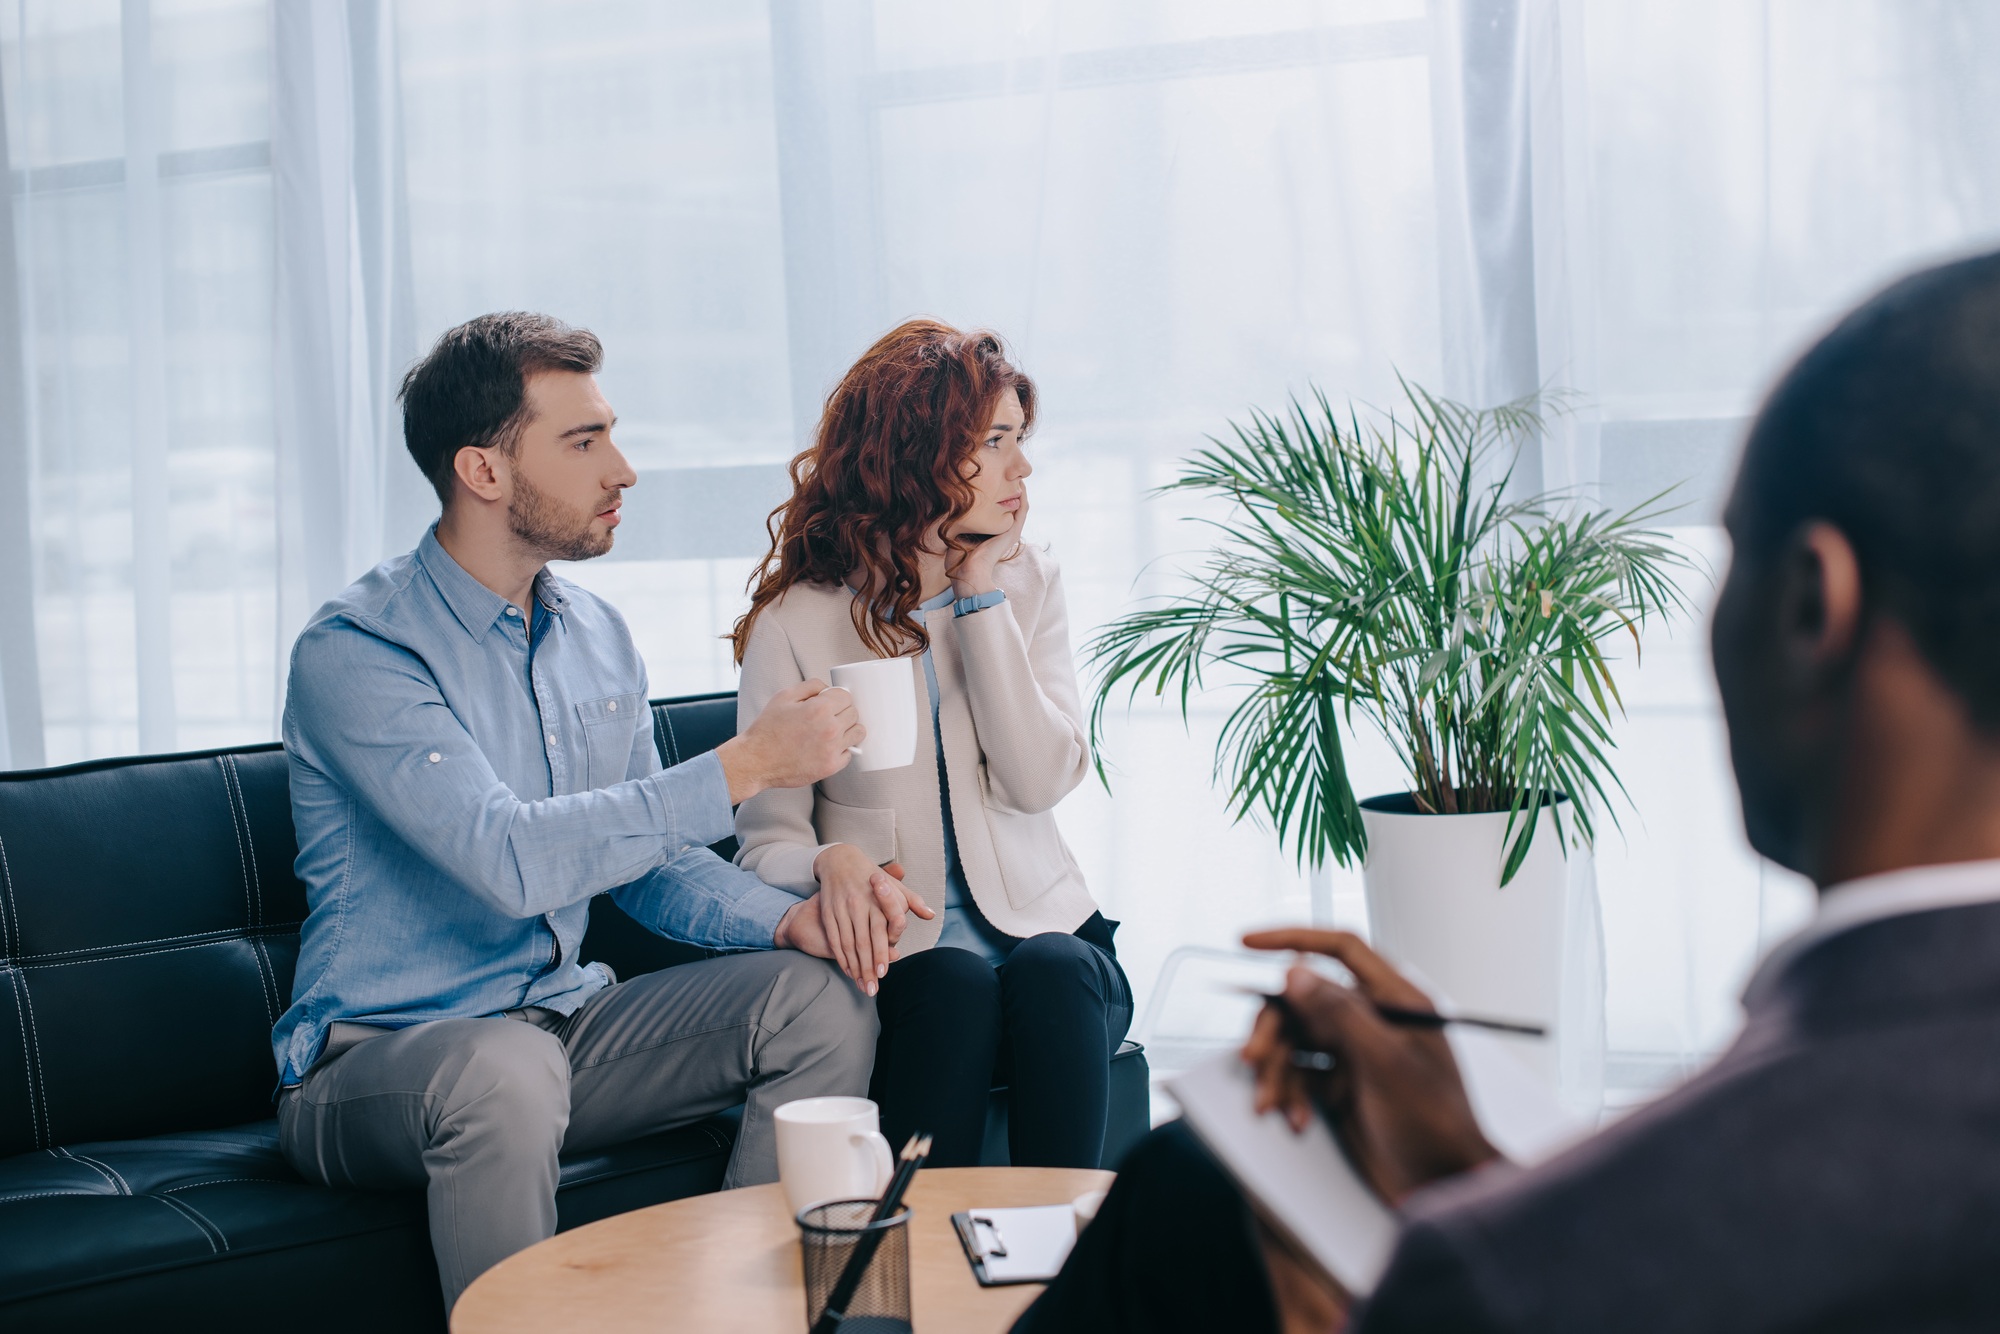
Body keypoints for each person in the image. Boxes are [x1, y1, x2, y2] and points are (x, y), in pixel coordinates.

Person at [1016, 249, 2000, 1333]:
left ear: (1813, 606)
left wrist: (1460, 1260)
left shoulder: (1502, 1280)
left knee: (1196, 1193)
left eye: (1727, 555)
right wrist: (1471, 1168)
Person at [272, 312, 878, 1312]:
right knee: (502, 1067)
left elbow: (640, 858)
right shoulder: (357, 650)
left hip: (563, 1030)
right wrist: (745, 762)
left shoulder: (595, 633)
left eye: (611, 433)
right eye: (583, 440)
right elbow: (507, 856)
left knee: (818, 998)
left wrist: (785, 916)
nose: (624, 468)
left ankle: (740, 1311)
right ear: (484, 470)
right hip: (370, 1067)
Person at [730, 319, 1133, 1168]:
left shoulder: (1030, 584)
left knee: (1053, 969)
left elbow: (1039, 779)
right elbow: (767, 842)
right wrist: (825, 867)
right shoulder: (797, 622)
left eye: (1021, 440)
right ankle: (921, 1272)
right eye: (992, 443)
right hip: (910, 970)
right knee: (953, 986)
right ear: (912, 451)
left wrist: (981, 598)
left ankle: (1062, 1255)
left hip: (1053, 946)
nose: (1021, 468)